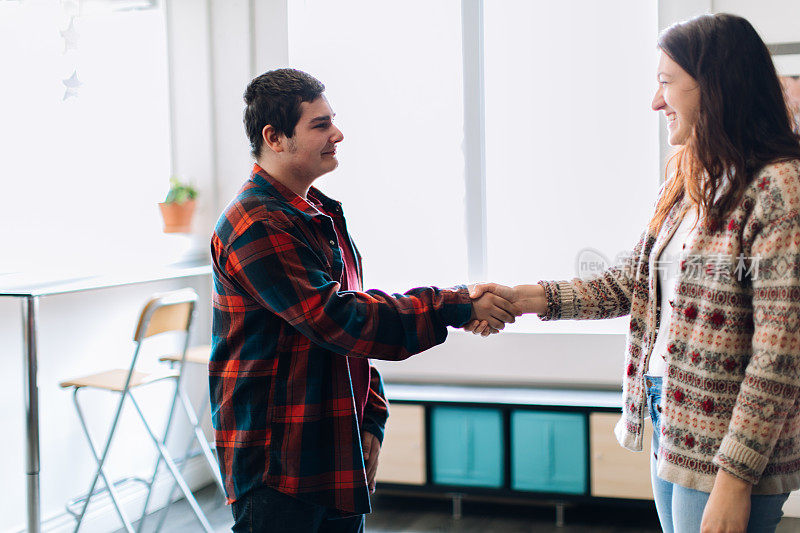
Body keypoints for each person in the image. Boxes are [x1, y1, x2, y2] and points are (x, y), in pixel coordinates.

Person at [467, 13, 800, 533]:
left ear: (714, 88)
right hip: (670, 413)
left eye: (667, 83)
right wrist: (519, 298)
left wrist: (735, 479)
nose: (655, 101)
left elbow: (780, 354)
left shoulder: (779, 187)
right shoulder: (691, 176)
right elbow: (626, 283)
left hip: (727, 443)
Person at [210, 68, 519, 533]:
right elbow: (338, 320)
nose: (337, 133)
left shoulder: (322, 214)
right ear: (274, 137)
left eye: (332, 120)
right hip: (279, 466)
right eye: (320, 125)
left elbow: (351, 332)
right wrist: (457, 305)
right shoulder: (256, 222)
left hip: (335, 446)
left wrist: (369, 419)